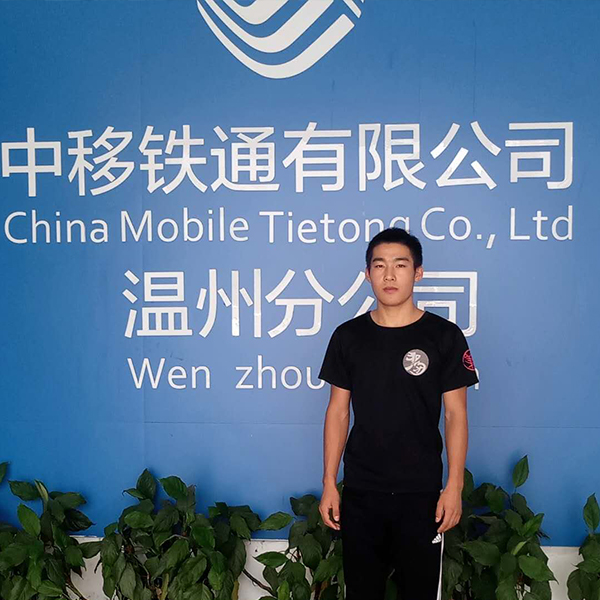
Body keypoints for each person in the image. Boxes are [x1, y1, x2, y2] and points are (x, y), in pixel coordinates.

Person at [317, 227, 479, 600]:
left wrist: (454, 486)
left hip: (421, 494)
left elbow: (455, 415)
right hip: (362, 491)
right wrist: (329, 482)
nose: (389, 275)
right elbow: (338, 412)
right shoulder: (348, 337)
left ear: (417, 273)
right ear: (367, 274)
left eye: (400, 265)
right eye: (380, 265)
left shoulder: (444, 336)